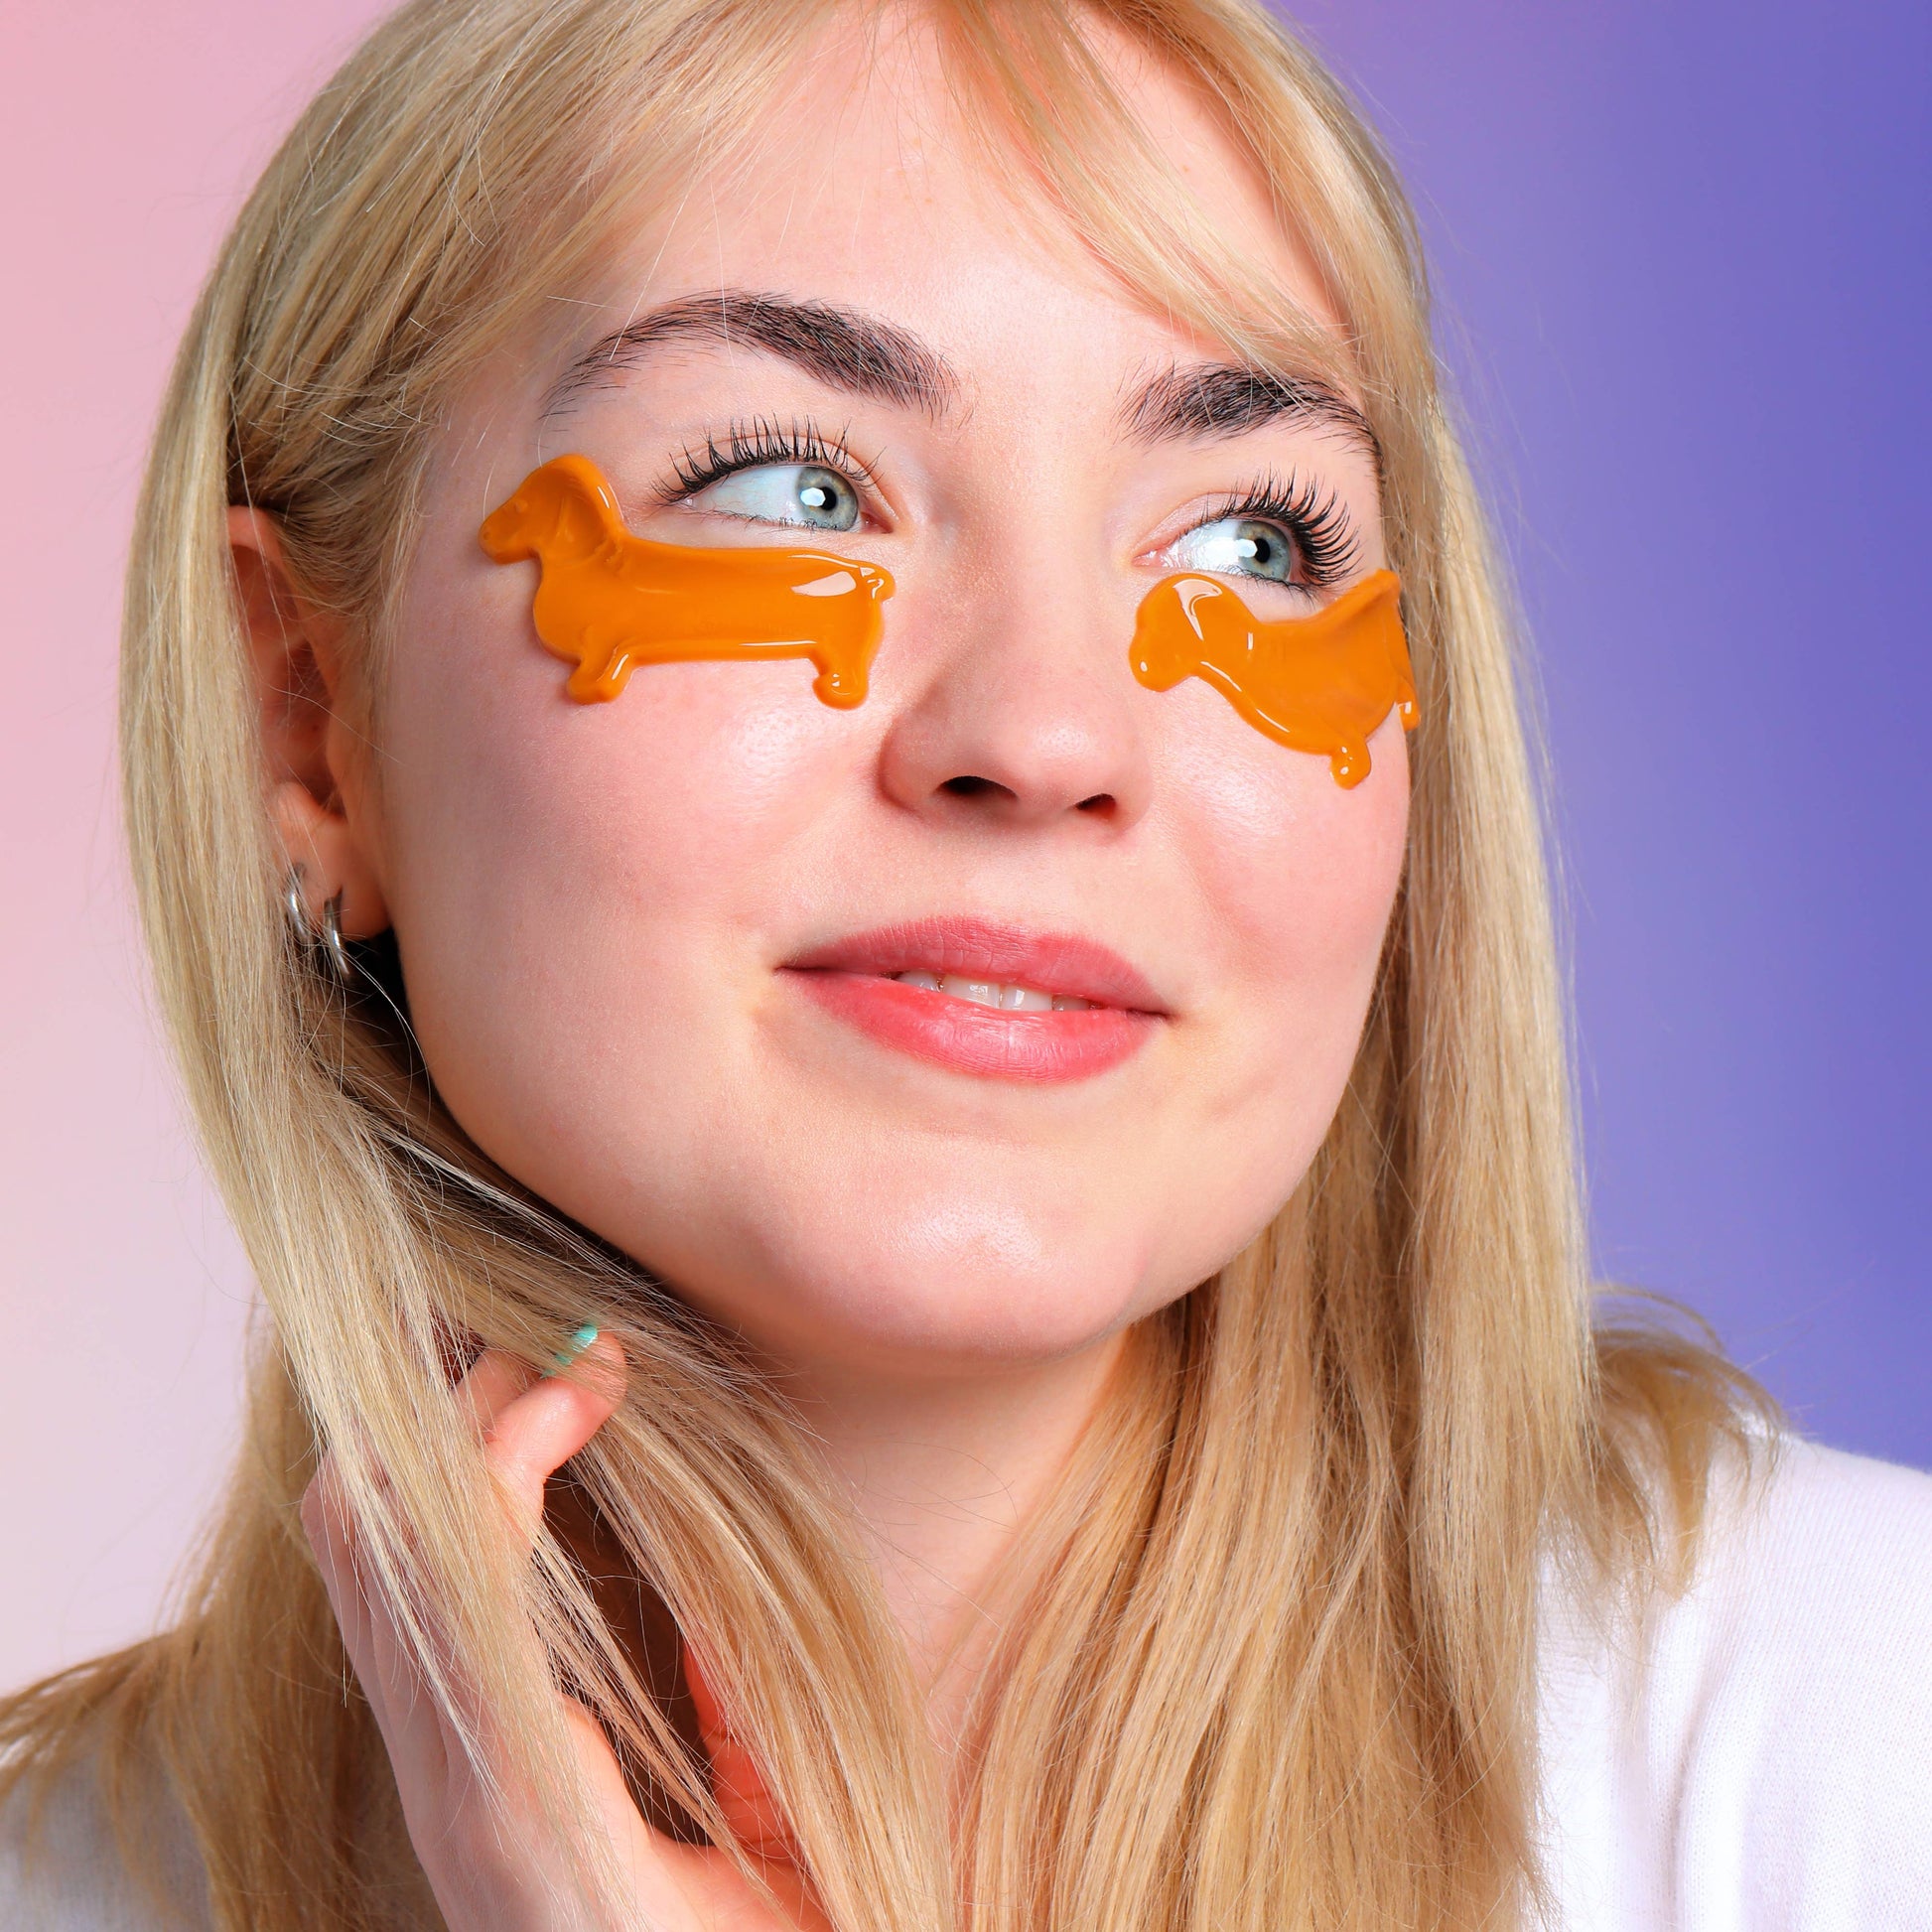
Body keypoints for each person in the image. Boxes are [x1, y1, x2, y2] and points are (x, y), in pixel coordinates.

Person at [4, 1, 1929, 1927]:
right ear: (304, 719)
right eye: (788, 487)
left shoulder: (1852, 1739)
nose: (1046, 731)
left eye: (1251, 535)